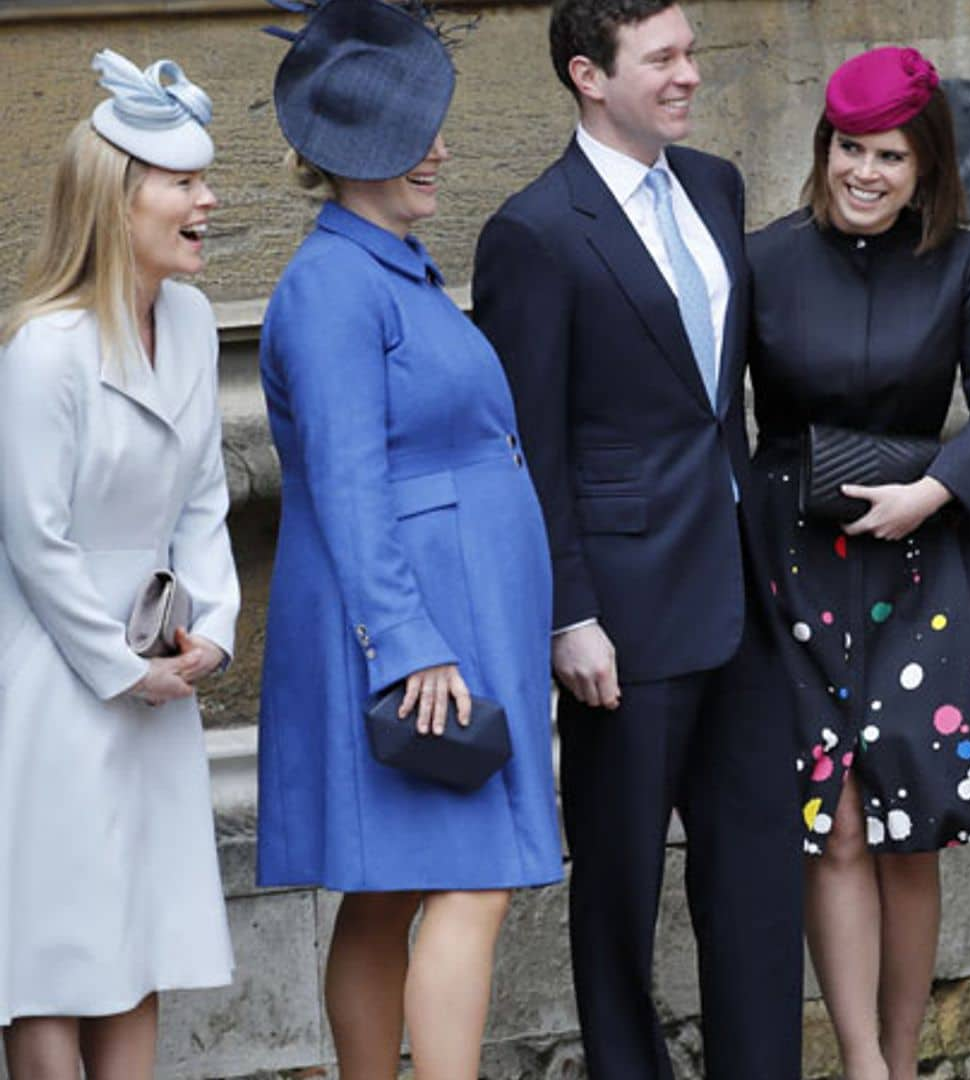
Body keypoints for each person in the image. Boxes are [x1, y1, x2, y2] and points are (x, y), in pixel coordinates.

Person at [471, 1, 803, 1075]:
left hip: (742, 592)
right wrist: (570, 612)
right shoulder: (533, 231)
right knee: (619, 892)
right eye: (662, 58)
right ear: (587, 74)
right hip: (619, 612)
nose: (689, 75)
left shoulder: (716, 186)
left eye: (691, 52)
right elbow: (530, 445)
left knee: (758, 876)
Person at [254, 3, 565, 1077]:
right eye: (412, 135)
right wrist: (410, 637)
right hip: (416, 627)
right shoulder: (334, 286)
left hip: (452, 613)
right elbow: (342, 480)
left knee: (391, 889)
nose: (438, 148)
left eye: (433, 126)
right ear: (353, 155)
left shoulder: (393, 267)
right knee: (468, 877)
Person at [745, 46, 970, 1079]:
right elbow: (708, 413)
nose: (866, 173)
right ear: (825, 150)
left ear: (927, 169)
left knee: (913, 825)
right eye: (850, 150)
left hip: (923, 571)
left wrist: (935, 491)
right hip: (794, 566)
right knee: (841, 822)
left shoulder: (963, 264)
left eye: (891, 158)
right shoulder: (763, 259)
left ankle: (903, 1061)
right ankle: (863, 1062)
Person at [0, 50, 237, 1078]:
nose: (208, 200)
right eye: (184, 184)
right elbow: (34, 537)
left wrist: (213, 632)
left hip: (157, 670)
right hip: (56, 678)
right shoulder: (43, 351)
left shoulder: (184, 321)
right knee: (55, 944)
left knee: (140, 928)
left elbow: (203, 499)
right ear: (118, 200)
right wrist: (118, 664)